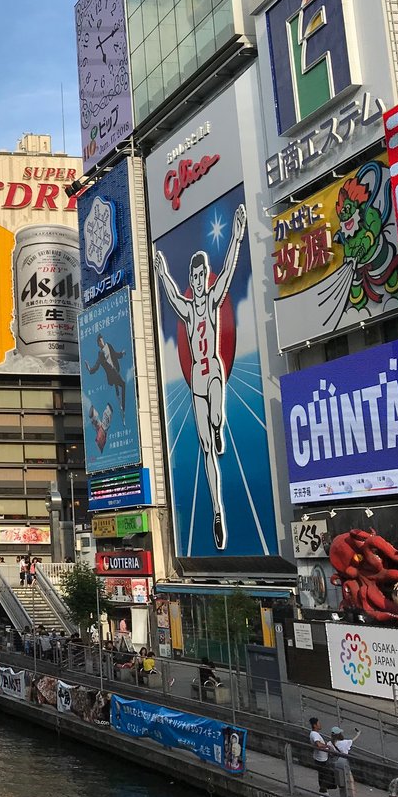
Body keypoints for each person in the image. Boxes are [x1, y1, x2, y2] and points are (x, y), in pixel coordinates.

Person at [155, 203, 247, 550]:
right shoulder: (189, 310)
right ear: (191, 282)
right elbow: (170, 294)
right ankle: (217, 511)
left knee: (217, 419)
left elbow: (227, 270)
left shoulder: (212, 301)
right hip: (196, 377)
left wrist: (236, 235)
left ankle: (219, 426)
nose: (198, 282)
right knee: (205, 446)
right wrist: (163, 272)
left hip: (213, 370)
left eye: (201, 276)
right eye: (194, 278)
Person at [86, 331, 129, 412]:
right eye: (100, 341)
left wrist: (121, 354)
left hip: (115, 370)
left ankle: (122, 405)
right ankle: (122, 405)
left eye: (102, 340)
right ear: (98, 343)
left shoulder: (108, 345)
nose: (101, 342)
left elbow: (115, 354)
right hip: (111, 374)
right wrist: (90, 370)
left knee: (121, 384)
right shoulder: (100, 354)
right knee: (122, 384)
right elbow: (96, 366)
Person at [329, 725, 359, 797]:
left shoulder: (329, 743)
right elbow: (353, 740)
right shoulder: (344, 743)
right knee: (350, 781)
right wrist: (358, 734)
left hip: (336, 763)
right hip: (344, 763)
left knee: (341, 781)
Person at [308, 716, 336, 797]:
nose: (320, 725)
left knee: (322, 775)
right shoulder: (314, 734)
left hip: (321, 758)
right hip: (321, 760)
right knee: (327, 775)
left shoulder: (314, 734)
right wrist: (327, 746)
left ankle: (324, 793)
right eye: (318, 723)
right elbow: (318, 745)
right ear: (315, 725)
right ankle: (323, 792)